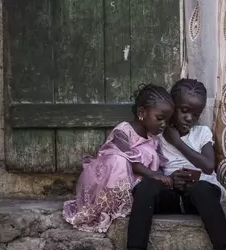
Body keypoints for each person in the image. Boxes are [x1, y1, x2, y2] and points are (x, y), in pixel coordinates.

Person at [121, 79, 226, 250]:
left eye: (195, 113)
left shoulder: (201, 133)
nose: (189, 118)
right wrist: (170, 179)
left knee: (202, 189)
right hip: (172, 191)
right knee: (145, 188)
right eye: (183, 110)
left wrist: (177, 142)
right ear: (172, 106)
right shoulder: (156, 134)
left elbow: (209, 166)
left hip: (201, 192)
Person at [63, 84, 174, 233]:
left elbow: (160, 164)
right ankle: (112, 206)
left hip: (137, 188)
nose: (163, 125)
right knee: (119, 160)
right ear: (142, 112)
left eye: (166, 121)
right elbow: (131, 161)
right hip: (106, 183)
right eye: (160, 118)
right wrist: (154, 175)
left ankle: (133, 202)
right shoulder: (123, 130)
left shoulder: (153, 139)